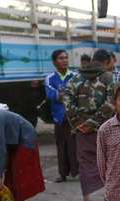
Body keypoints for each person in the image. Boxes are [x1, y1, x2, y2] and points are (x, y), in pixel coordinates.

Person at [62, 49, 115, 201]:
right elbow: (111, 103)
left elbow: (67, 101)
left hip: (81, 130)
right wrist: (94, 122)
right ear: (106, 62)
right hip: (103, 128)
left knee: (85, 163)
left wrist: (79, 124)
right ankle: (110, 198)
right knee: (108, 162)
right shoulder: (108, 77)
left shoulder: (76, 78)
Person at [45, 49, 79, 183]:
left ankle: (77, 172)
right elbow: (51, 95)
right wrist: (67, 94)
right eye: (60, 58)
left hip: (74, 117)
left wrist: (62, 93)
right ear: (54, 62)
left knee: (75, 145)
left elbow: (78, 95)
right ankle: (62, 174)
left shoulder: (75, 76)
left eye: (66, 57)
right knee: (61, 146)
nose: (64, 60)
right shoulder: (50, 78)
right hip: (59, 118)